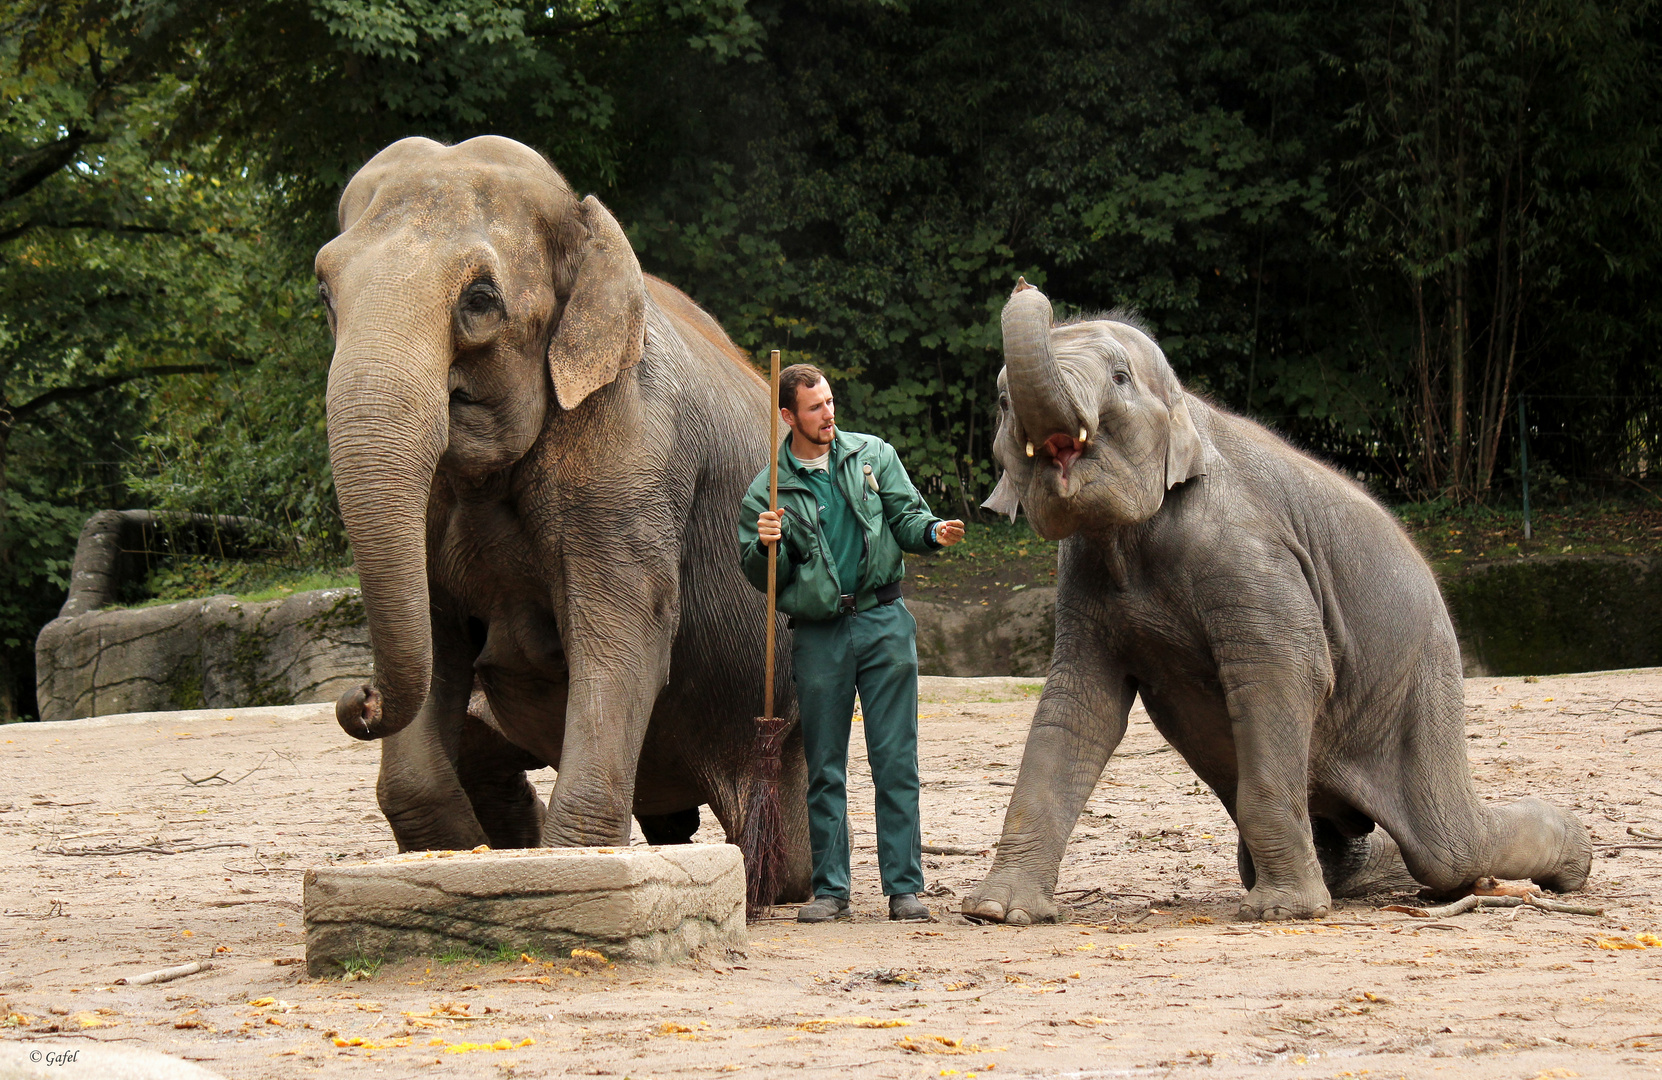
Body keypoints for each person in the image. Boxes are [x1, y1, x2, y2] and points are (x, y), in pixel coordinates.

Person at [738, 364, 965, 922]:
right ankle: (831, 891)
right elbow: (764, 577)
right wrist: (767, 544)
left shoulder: (872, 455)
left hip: (885, 620)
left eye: (831, 402)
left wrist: (932, 532)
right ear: (788, 416)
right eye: (815, 408)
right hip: (819, 635)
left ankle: (904, 888)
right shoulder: (768, 489)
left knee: (896, 758)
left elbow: (907, 517)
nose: (828, 414)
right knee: (825, 766)